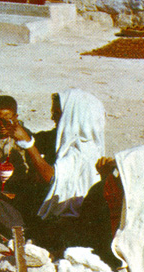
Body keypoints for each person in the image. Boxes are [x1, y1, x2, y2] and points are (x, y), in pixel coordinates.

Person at [0, 95, 56, 240]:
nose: (2, 125)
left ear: (15, 117)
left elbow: (35, 162)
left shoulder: (23, 135)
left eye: (7, 120)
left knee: (3, 202)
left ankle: (12, 225)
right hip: (0, 179)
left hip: (24, 184)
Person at [36, 89, 106, 221]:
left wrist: (27, 145)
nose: (52, 118)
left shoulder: (78, 149)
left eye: (57, 113)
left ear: (73, 116)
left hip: (70, 219)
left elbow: (51, 178)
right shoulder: (91, 144)